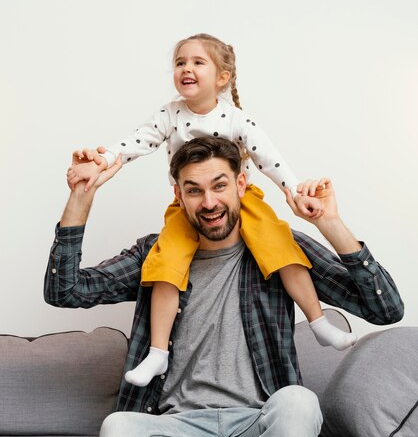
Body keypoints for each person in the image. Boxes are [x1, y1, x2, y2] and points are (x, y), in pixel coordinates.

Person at [45, 136, 404, 437]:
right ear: (179, 197)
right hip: (176, 427)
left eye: (219, 186)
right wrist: (81, 194)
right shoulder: (153, 255)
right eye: (194, 190)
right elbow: (66, 291)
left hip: (255, 425)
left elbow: (385, 309)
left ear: (241, 185)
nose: (209, 202)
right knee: (119, 426)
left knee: (300, 402)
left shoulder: (280, 249)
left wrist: (329, 222)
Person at [66, 34, 356, 387]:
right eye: (180, 62)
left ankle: (319, 322)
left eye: (197, 62)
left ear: (223, 77)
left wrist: (294, 192)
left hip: (245, 204)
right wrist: (104, 160)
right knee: (164, 264)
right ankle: (158, 353)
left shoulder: (236, 119)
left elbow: (269, 158)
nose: (186, 68)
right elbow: (135, 142)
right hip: (182, 208)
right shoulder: (169, 114)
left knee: (281, 247)